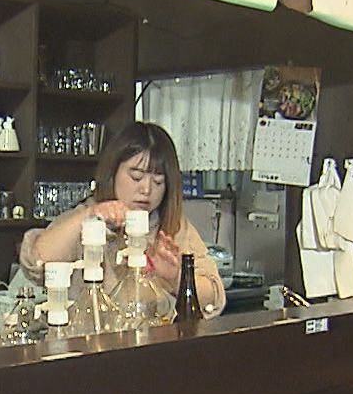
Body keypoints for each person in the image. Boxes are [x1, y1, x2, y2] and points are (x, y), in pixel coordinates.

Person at [20, 121, 226, 318]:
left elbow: (214, 296)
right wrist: (91, 214)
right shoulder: (87, 217)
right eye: (136, 177)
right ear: (113, 172)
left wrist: (176, 277)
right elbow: (36, 262)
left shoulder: (172, 227)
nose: (146, 190)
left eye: (158, 181)